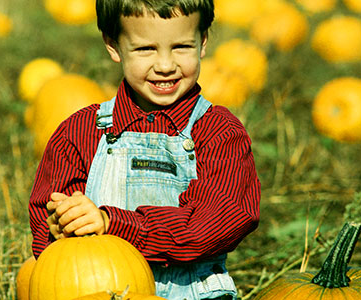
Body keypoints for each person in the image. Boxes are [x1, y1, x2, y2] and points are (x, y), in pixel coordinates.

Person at [29, 0, 261, 299]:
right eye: (145, 49)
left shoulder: (219, 132)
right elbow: (46, 220)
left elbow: (215, 220)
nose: (165, 65)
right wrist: (61, 227)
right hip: (100, 289)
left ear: (203, 42)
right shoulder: (80, 133)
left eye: (181, 47)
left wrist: (115, 224)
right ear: (114, 46)